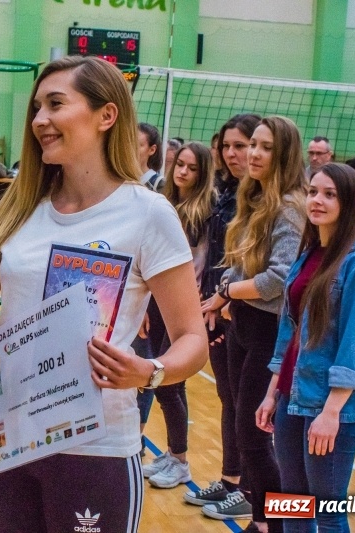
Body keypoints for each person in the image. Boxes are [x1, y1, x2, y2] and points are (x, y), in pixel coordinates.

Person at [0, 55, 208, 533]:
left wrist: (149, 372)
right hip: (1, 435)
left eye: (55, 104)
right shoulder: (19, 206)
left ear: (106, 116)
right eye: (36, 109)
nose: (39, 121)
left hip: (93, 448)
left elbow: (192, 339)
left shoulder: (148, 214)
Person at [256, 163, 355, 532]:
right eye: (313, 191)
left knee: (326, 512)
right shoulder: (309, 253)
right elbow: (290, 332)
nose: (317, 200)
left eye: (329, 194)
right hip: (292, 398)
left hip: (332, 408)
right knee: (293, 502)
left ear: (349, 204)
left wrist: (331, 414)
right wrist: (271, 394)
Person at [201, 116, 307, 533]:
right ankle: (263, 521)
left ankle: (276, 525)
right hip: (243, 324)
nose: (253, 154)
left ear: (283, 154)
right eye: (253, 146)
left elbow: (279, 279)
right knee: (247, 433)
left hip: (270, 332)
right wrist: (228, 291)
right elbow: (241, 266)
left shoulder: (290, 207)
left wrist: (226, 292)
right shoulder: (256, 198)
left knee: (256, 436)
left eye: (264, 147)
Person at [183, 113, 260, 516]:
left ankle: (255, 494)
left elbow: (268, 268)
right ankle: (234, 480)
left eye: (242, 145)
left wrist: (229, 298)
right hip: (219, 307)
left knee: (252, 410)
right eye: (226, 146)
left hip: (250, 315)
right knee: (230, 399)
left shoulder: (270, 201)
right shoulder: (229, 193)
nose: (232, 154)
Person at [142, 142, 215, 490]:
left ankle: (181, 460)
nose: (183, 172)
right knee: (164, 384)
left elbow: (197, 264)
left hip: (182, 302)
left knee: (169, 383)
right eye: (179, 165)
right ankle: (174, 453)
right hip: (157, 301)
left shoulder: (204, 211)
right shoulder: (166, 204)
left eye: (192, 168)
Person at [133, 122, 165, 458]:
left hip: (150, 294)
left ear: (151, 150)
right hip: (124, 292)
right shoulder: (121, 186)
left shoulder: (158, 189)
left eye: (137, 144)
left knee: (146, 366)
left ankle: (137, 436)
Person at [137, 122, 163, 191]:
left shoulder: (158, 184)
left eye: (137, 145)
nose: (131, 148)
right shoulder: (117, 180)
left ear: (152, 150)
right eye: (129, 143)